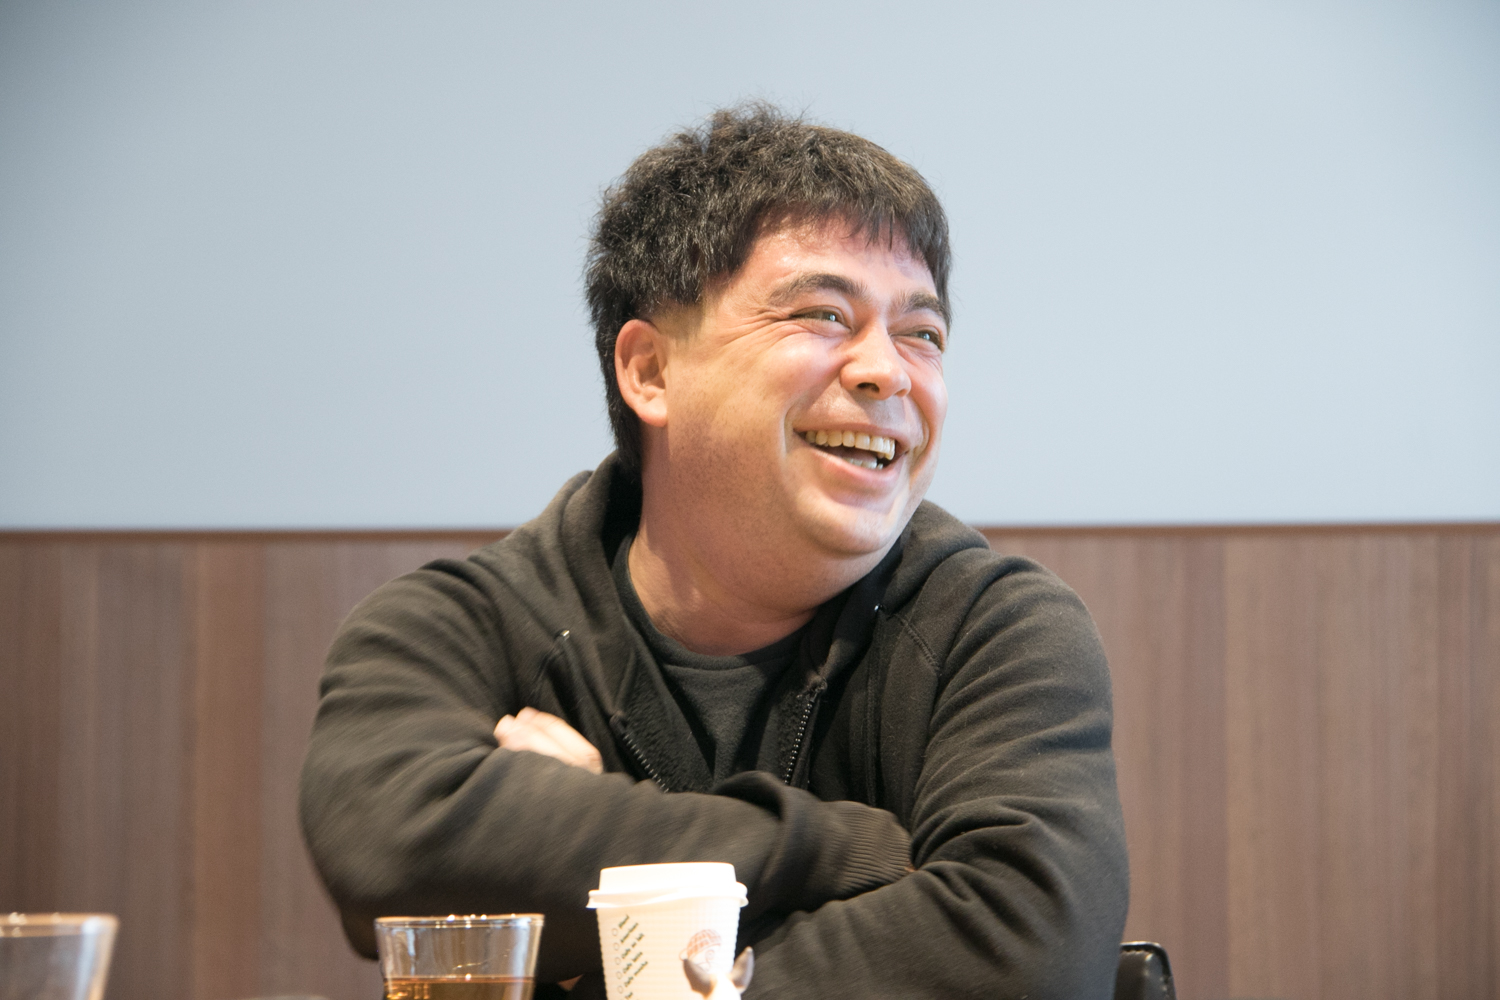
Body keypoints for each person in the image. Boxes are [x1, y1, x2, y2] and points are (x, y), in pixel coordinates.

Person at [300, 103, 1129, 1000]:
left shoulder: (996, 631)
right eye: (823, 314)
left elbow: (1025, 951)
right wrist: (849, 850)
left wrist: (606, 912)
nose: (888, 371)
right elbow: (392, 846)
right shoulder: (455, 629)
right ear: (650, 371)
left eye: (921, 333)